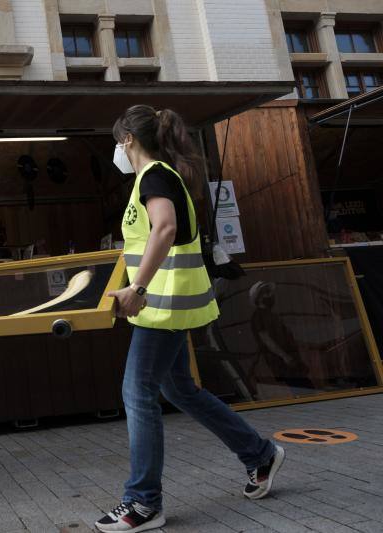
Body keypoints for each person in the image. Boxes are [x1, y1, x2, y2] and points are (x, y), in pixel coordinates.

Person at [95, 106, 285, 533]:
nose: (117, 150)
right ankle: (260, 455)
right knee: (180, 389)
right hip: (168, 304)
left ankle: (143, 503)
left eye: (117, 142)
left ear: (127, 140)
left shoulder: (154, 177)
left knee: (137, 393)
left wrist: (137, 287)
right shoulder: (157, 177)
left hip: (162, 306)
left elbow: (164, 229)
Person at [249, 281, 315, 393]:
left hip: (289, 358)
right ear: (259, 297)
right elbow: (266, 340)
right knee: (302, 387)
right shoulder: (259, 316)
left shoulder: (271, 315)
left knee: (304, 387)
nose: (270, 295)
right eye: (266, 293)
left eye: (270, 292)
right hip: (282, 362)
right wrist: (285, 356)